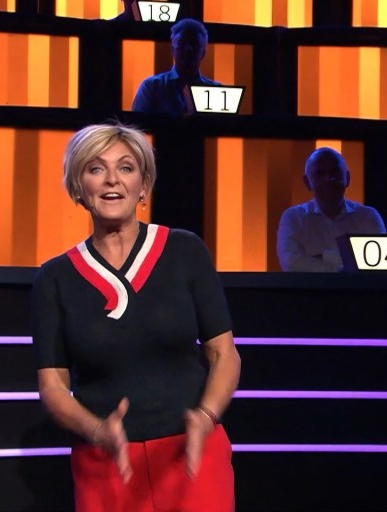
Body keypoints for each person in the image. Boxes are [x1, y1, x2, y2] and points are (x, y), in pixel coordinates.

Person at [31, 123, 241, 511]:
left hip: (191, 454)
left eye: (125, 168)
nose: (112, 179)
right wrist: (98, 431)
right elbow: (53, 386)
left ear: (143, 185)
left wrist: (206, 417)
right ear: (78, 187)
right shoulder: (55, 278)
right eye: (96, 168)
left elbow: (223, 353)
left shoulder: (185, 251)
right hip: (107, 463)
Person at [277, 147, 386, 272]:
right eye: (320, 173)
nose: (329, 178)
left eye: (335, 172)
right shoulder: (294, 218)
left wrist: (322, 257)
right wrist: (347, 262)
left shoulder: (368, 217)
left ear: (347, 178)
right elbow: (292, 264)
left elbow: (379, 264)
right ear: (307, 182)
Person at [131, 18, 221, 115]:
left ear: (203, 54)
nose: (188, 49)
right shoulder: (151, 86)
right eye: (182, 44)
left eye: (194, 44)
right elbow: (137, 123)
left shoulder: (217, 91)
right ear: (172, 50)